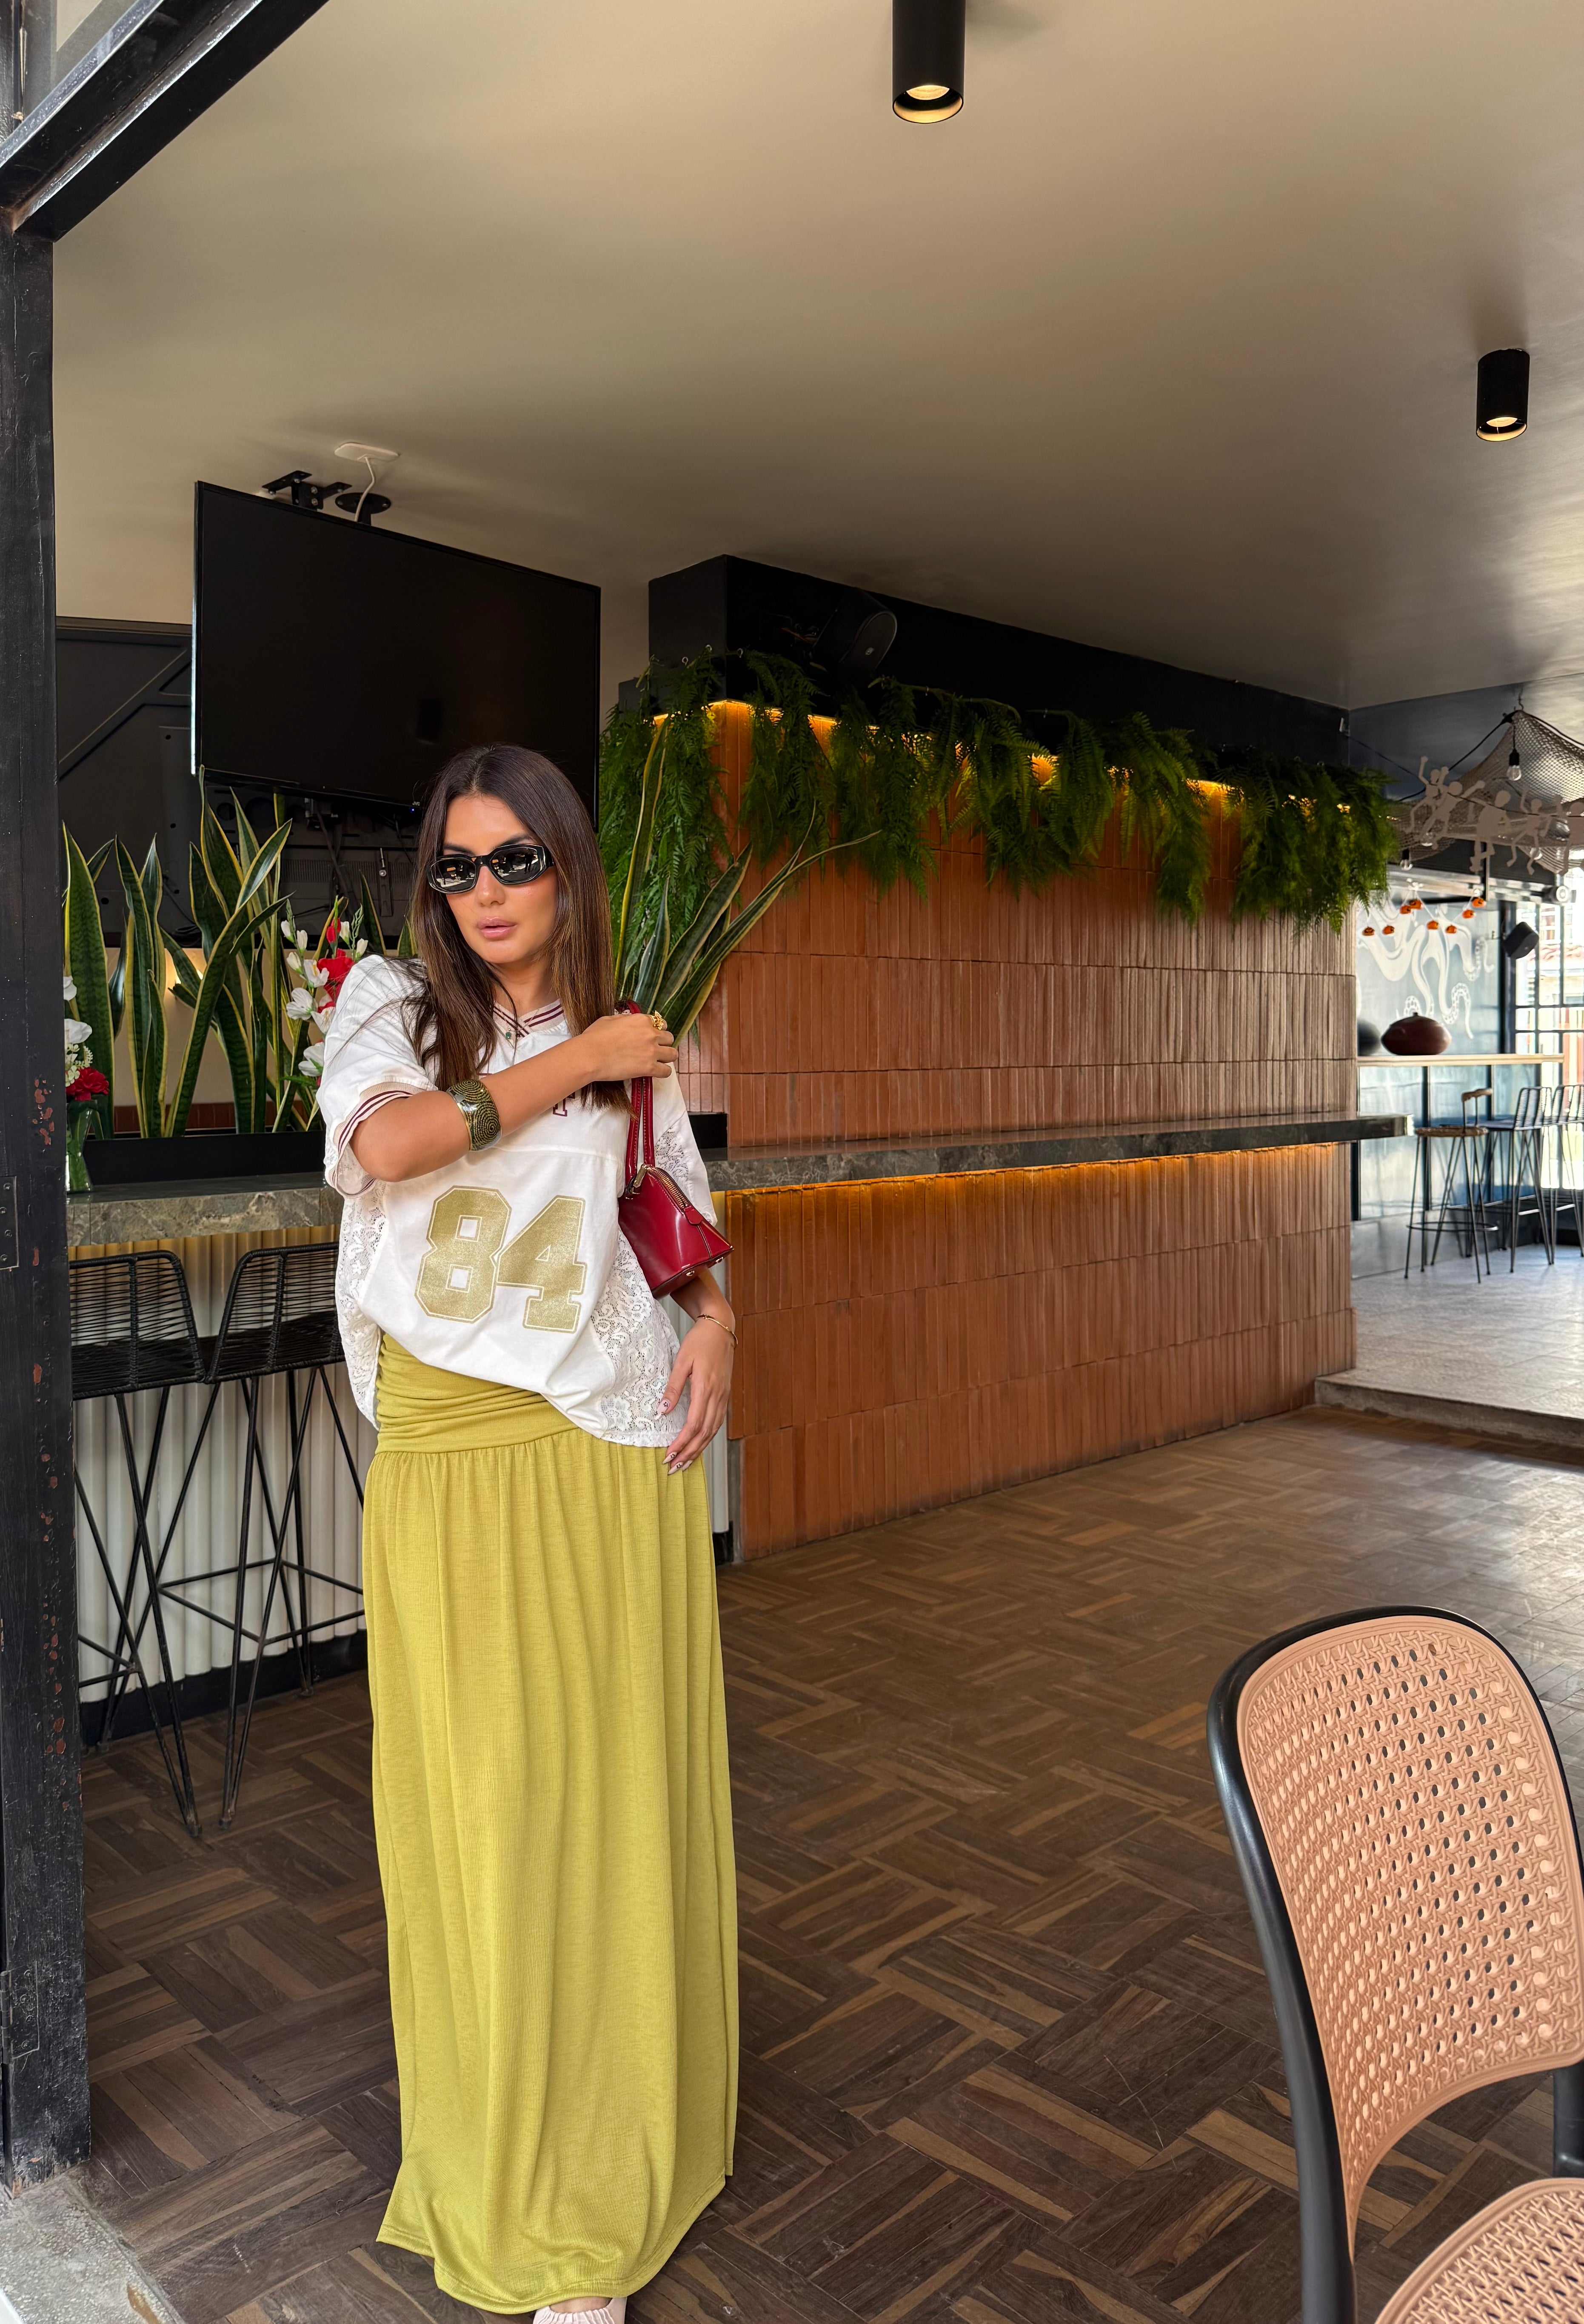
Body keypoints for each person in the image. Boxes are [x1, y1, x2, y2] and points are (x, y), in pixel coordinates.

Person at [317, 742, 738, 2321]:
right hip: (453, 1451)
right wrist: (580, 1060)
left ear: (566, 867)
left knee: (611, 1796)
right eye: (457, 865)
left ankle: (614, 2155)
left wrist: (719, 1325)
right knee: (486, 1815)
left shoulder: (630, 1036)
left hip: (611, 1443)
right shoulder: (389, 1005)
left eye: (515, 860)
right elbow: (391, 1148)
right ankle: (513, 2166)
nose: (484, 891)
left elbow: (667, 1213)